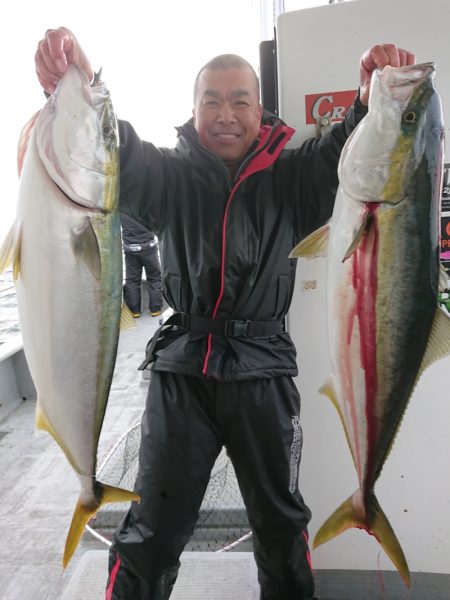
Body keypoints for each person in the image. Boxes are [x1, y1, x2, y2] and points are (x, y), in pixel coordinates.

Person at [35, 28, 415, 600]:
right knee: (152, 534)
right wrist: (79, 85)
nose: (226, 114)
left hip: (263, 373)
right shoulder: (166, 175)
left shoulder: (293, 176)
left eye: (240, 100)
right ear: (194, 110)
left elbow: (348, 149)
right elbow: (109, 151)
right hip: (181, 373)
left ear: (259, 110)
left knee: (281, 530)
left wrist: (369, 97)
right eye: (211, 100)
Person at [121, 213, 163, 318]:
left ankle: (134, 311)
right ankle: (155, 309)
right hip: (148, 248)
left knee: (132, 280)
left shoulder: (121, 209)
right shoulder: (145, 206)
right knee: (154, 278)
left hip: (130, 249)